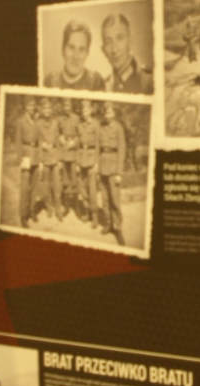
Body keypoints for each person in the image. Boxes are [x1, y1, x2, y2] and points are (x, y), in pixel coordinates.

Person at [97, 102, 127, 243]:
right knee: (105, 199)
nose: (107, 115)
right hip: (103, 166)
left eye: (109, 112)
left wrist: (119, 172)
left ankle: (118, 228)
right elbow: (98, 149)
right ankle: (108, 225)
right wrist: (97, 167)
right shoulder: (101, 127)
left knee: (115, 200)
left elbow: (122, 150)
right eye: (105, 112)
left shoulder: (118, 128)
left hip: (114, 167)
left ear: (113, 114)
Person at [46, 20, 104, 92]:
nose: (76, 56)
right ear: (63, 49)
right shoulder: (50, 82)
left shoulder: (95, 82)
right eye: (71, 47)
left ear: (87, 53)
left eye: (81, 49)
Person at [101, 13, 152, 94]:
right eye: (108, 42)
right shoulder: (103, 86)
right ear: (103, 49)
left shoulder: (149, 82)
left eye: (120, 38)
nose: (114, 49)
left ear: (130, 41)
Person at [17, 97, 41, 226]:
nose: (32, 108)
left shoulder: (36, 121)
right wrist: (20, 158)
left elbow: (39, 141)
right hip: (26, 156)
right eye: (29, 106)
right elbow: (18, 141)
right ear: (26, 107)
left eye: (33, 106)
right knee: (25, 188)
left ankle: (32, 211)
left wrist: (40, 158)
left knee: (34, 187)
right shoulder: (21, 121)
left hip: (35, 156)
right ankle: (23, 215)